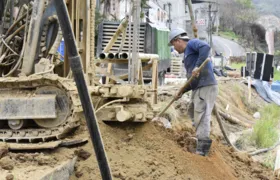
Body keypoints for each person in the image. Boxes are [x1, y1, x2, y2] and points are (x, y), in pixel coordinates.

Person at [168, 28, 218, 156]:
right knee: (192, 110)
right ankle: (201, 135)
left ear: (178, 40)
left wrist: (197, 66)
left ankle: (202, 148)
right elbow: (191, 80)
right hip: (198, 87)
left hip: (205, 85)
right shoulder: (187, 55)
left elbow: (206, 47)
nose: (174, 48)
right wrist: (182, 91)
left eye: (173, 45)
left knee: (201, 115)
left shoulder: (191, 44)